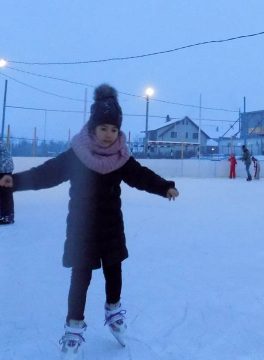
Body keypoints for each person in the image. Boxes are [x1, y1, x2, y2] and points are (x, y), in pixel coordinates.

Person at [0, 84, 179, 358]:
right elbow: (47, 173)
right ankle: (73, 329)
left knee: (114, 272)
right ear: (92, 127)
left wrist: (164, 186)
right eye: (103, 128)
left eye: (114, 129)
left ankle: (114, 313)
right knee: (80, 279)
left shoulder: (121, 158)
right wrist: (17, 181)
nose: (109, 135)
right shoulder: (77, 154)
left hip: (110, 227)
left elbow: (141, 176)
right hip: (82, 228)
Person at [0, 141, 14, 224]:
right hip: (6, 170)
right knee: (5, 194)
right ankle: (6, 215)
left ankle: (7, 216)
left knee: (5, 194)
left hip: (4, 171)